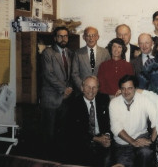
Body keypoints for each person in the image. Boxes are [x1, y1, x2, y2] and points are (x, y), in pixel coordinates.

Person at [40, 26, 73, 159]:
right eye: (60, 36)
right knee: (50, 133)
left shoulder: (70, 53)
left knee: (63, 133)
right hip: (51, 99)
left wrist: (69, 90)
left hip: (66, 99)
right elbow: (49, 74)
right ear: (55, 38)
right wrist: (64, 89)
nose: (63, 39)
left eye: (65, 36)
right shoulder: (48, 53)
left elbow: (71, 74)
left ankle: (60, 160)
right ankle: (48, 160)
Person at [109, 75, 156, 167]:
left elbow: (156, 120)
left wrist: (151, 140)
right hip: (122, 143)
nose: (126, 92)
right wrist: (133, 142)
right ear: (120, 89)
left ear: (135, 88)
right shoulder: (114, 103)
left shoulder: (144, 100)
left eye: (130, 88)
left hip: (141, 137)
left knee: (146, 153)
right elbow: (116, 128)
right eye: (123, 88)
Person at [64, 76, 111, 167]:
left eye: (94, 87)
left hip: (101, 138)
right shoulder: (73, 103)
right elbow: (74, 130)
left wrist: (107, 136)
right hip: (82, 141)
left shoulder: (104, 99)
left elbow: (108, 122)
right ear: (82, 88)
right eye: (88, 87)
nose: (91, 90)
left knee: (108, 159)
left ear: (98, 89)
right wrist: (96, 139)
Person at [71, 26, 110, 93]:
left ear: (97, 37)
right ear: (84, 37)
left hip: (100, 90)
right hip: (83, 91)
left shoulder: (105, 52)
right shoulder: (78, 53)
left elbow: (108, 72)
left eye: (93, 35)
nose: (91, 38)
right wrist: (82, 87)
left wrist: (101, 87)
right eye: (88, 35)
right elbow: (74, 73)